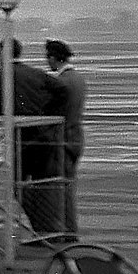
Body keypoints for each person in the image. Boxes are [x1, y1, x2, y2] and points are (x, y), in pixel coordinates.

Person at [0, 38, 70, 244]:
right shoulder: (35, 73)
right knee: (42, 184)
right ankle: (47, 230)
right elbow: (62, 91)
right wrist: (47, 113)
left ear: (1, 54)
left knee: (18, 184)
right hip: (43, 135)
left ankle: (40, 228)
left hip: (20, 138)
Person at [45, 40, 87, 239]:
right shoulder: (78, 78)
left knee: (60, 187)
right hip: (77, 134)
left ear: (54, 58)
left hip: (64, 137)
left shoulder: (61, 82)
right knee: (68, 184)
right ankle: (69, 229)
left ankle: (66, 231)